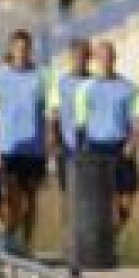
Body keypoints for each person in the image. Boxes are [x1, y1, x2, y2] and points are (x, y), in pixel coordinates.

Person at [0, 29, 49, 255]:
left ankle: (26, 244)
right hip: (8, 147)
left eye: (25, 48)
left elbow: (47, 112)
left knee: (31, 201)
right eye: (17, 48)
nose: (21, 52)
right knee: (12, 198)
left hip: (35, 147)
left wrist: (49, 143)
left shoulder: (41, 75)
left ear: (30, 50)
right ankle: (8, 236)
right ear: (11, 49)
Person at [72, 41, 139, 231]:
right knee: (110, 202)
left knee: (126, 202)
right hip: (98, 147)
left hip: (122, 146)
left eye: (109, 57)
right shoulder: (86, 88)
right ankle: (107, 243)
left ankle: (112, 236)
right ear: (96, 60)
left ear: (115, 58)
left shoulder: (129, 87)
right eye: (102, 57)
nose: (106, 61)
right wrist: (81, 150)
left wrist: (133, 142)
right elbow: (80, 123)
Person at [48, 38, 92, 194]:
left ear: (89, 57)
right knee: (66, 189)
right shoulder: (60, 84)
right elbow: (54, 113)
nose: (79, 61)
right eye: (76, 57)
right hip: (66, 144)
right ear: (71, 58)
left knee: (88, 188)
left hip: (90, 146)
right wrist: (54, 137)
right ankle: (70, 217)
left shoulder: (95, 83)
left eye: (83, 56)